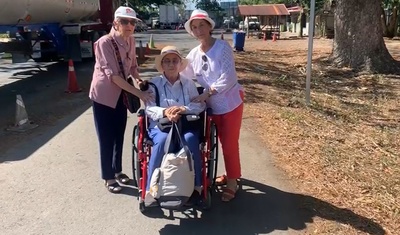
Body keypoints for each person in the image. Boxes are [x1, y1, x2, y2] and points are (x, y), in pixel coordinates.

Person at [181, 9, 244, 202]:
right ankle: (229, 172)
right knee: (208, 143)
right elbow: (184, 77)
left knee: (229, 143)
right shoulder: (193, 54)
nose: (198, 30)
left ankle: (233, 181)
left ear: (209, 26)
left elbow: (229, 76)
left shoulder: (222, 47)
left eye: (201, 25)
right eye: (194, 27)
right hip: (209, 106)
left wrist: (208, 92)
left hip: (229, 102)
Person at [89, 6, 153, 193]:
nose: (129, 25)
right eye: (124, 21)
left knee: (119, 133)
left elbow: (132, 67)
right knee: (106, 136)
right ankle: (108, 176)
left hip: (121, 94)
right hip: (104, 95)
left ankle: (117, 171)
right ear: (115, 23)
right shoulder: (104, 43)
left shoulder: (131, 41)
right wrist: (138, 93)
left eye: (132, 22)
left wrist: (139, 80)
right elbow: (114, 77)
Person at [144, 46, 205, 205]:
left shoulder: (189, 84)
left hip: (185, 124)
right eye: (167, 61)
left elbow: (200, 105)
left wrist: (183, 108)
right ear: (162, 65)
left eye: (175, 61)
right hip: (161, 126)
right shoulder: (153, 84)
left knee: (191, 140)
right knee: (163, 141)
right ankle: (150, 190)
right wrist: (166, 112)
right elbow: (149, 108)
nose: (171, 64)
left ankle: (197, 187)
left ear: (180, 64)